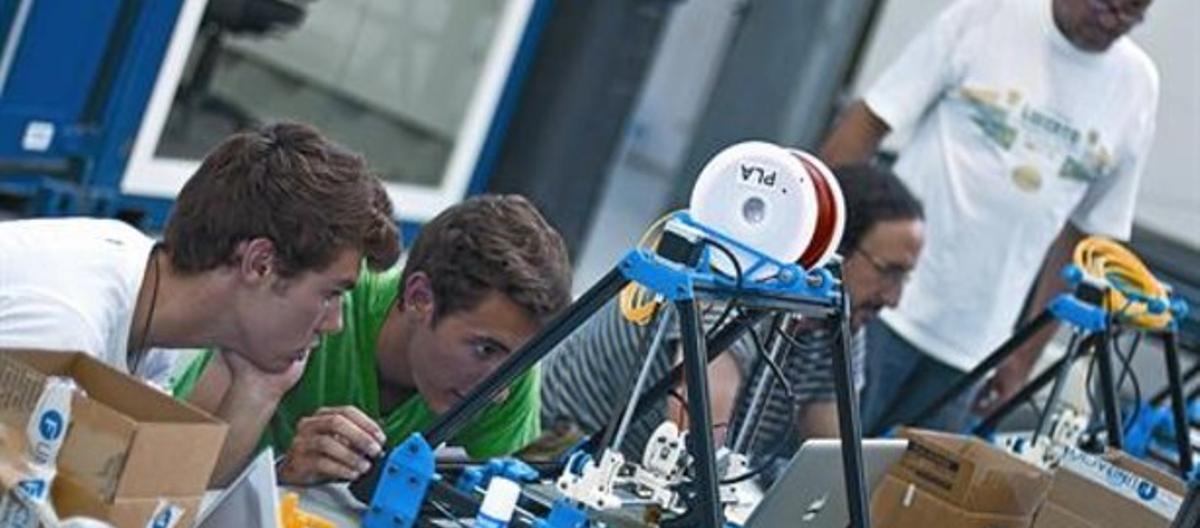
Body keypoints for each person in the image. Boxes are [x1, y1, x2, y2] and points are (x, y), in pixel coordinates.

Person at [821, 0, 1159, 434]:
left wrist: (1022, 359)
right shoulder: (988, 14)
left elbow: (1087, 244)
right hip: (879, 310)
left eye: (1131, 13)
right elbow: (870, 120)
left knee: (904, 496)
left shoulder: (1138, 87)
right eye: (1105, 5)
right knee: (814, 466)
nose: (1113, 22)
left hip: (975, 351)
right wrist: (817, 253)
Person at [0, 122, 400, 485]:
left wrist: (259, 387)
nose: (334, 324)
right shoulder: (63, 328)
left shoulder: (150, 296)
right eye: (330, 294)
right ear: (260, 264)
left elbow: (155, 493)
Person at [539, 164, 924, 475]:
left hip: (631, 477)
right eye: (888, 271)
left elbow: (836, 468)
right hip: (555, 454)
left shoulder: (841, 317)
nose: (894, 298)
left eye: (904, 277)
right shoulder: (734, 290)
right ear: (833, 255)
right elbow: (696, 450)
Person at [175, 194, 573, 487]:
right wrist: (282, 474)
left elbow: (490, 514)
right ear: (420, 298)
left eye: (517, 364)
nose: (500, 391)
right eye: (484, 350)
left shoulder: (511, 362)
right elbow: (164, 475)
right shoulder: (317, 306)